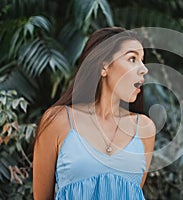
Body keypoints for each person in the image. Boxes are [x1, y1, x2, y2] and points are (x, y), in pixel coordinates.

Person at [33, 27, 156, 200]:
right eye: (132, 59)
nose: (144, 69)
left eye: (142, 61)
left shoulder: (144, 129)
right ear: (104, 66)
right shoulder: (58, 121)